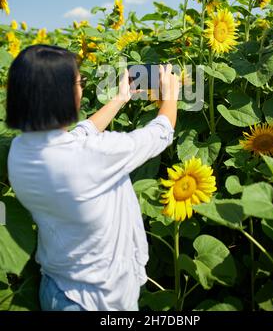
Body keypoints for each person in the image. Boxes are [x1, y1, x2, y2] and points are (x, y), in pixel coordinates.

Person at [6, 44, 179, 312]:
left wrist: (121, 98)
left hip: (55, 287)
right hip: (96, 300)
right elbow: (160, 134)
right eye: (79, 82)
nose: (82, 88)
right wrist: (171, 95)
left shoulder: (20, 150)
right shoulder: (92, 157)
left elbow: (80, 134)